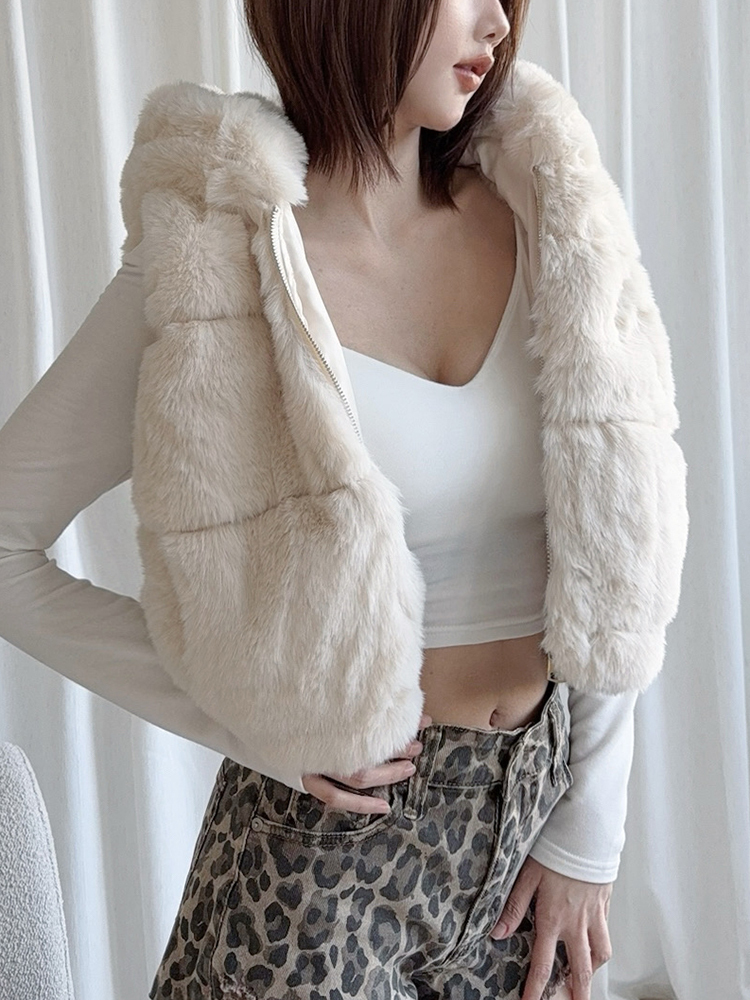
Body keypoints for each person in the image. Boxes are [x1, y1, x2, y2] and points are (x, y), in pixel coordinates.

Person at [0, 1, 689, 998]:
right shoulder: (214, 261)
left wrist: (592, 828)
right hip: (315, 879)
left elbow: (621, 537)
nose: (498, 23)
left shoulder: (548, 206)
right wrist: (256, 725)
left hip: (527, 858)